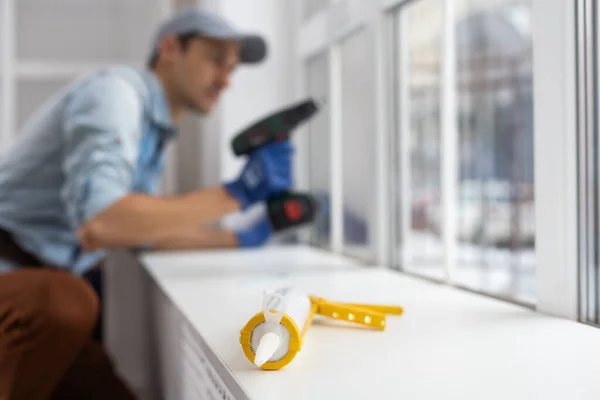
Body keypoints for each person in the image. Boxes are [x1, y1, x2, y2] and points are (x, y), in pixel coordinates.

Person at [0, 6, 292, 400]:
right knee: (66, 302)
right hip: (21, 284)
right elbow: (102, 224)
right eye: (215, 59)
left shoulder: (152, 131)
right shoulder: (115, 95)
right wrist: (235, 194)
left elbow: (143, 234)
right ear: (170, 48)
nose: (226, 80)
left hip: (36, 284)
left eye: (233, 68)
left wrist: (245, 237)